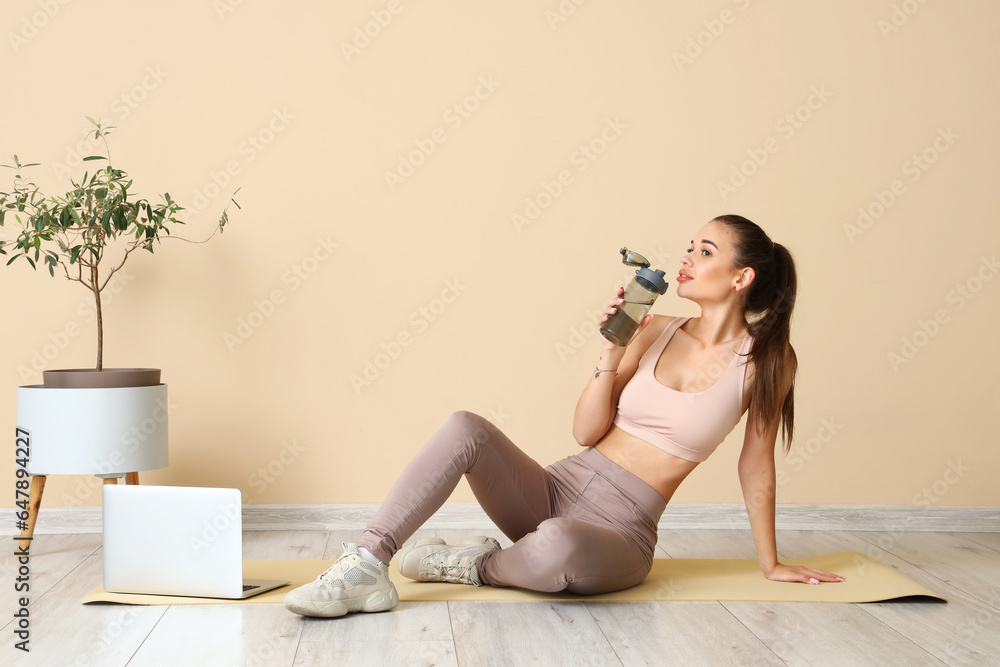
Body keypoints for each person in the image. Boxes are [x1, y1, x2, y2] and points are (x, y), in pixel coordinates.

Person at [283, 214, 844, 618]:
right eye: (689, 247)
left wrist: (770, 563)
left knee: (559, 546)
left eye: (704, 250)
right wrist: (610, 353)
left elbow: (756, 464)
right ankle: (365, 565)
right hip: (556, 489)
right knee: (464, 427)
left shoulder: (766, 360)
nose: (686, 259)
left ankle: (474, 566)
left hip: (618, 531)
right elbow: (584, 432)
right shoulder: (654, 327)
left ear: (742, 277)